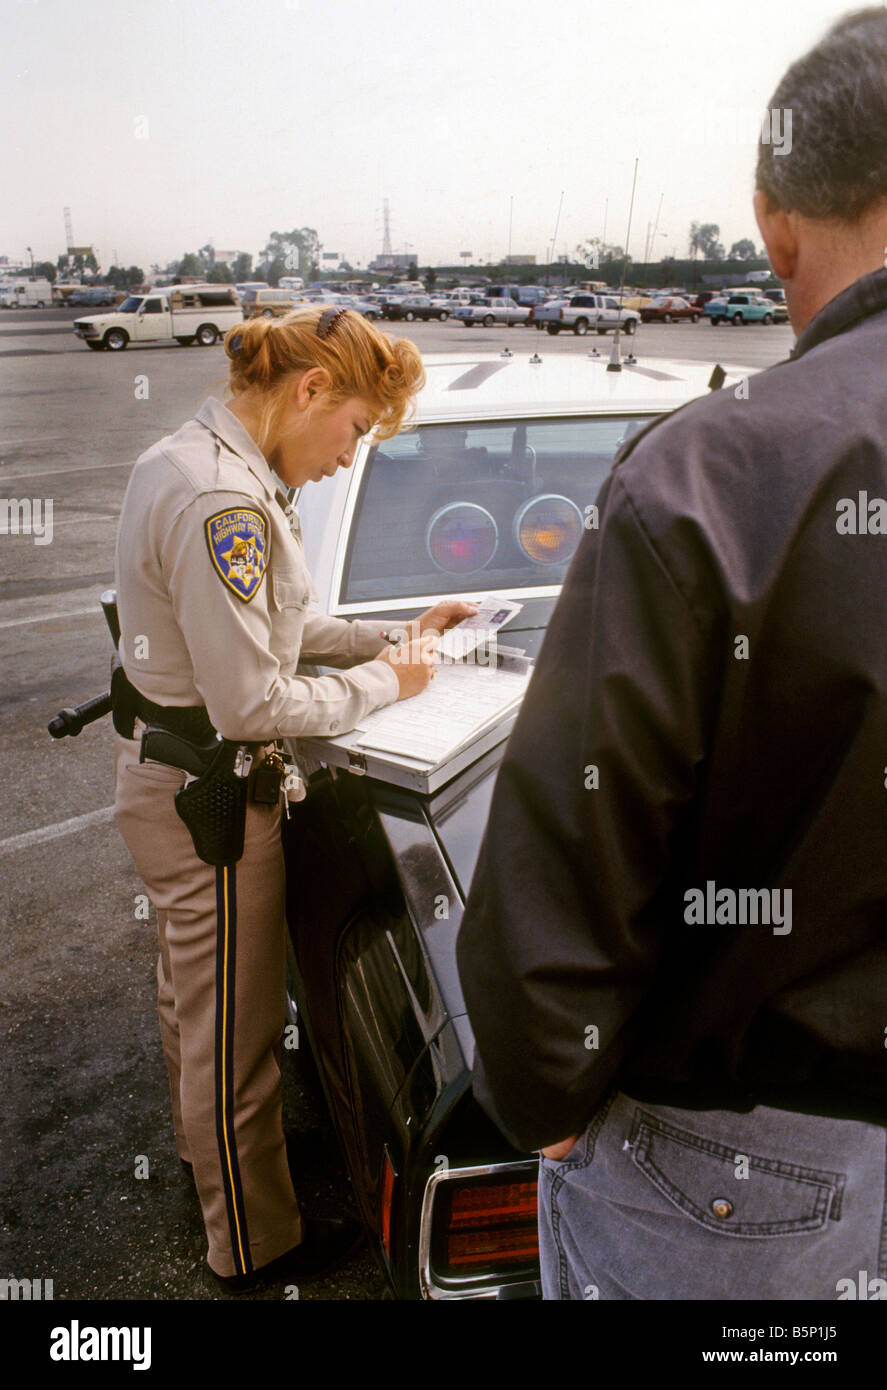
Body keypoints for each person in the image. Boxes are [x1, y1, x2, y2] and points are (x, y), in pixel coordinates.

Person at [456, 7, 887, 1300]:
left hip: (739, 1175)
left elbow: (559, 880)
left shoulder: (709, 471)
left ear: (770, 221)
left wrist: (541, 1094)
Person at [113, 304, 476, 1289]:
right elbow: (252, 701)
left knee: (200, 1016)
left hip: (180, 784)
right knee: (236, 1048)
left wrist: (397, 635)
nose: (347, 455)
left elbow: (285, 625)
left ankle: (220, 1180)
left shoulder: (208, 463)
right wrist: (389, 684)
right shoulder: (221, 502)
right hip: (215, 805)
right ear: (312, 390)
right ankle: (254, 1250)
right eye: (355, 428)